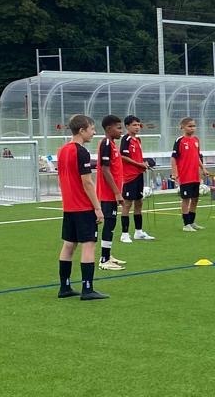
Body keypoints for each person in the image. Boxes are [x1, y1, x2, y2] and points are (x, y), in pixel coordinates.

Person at [56, 114, 107, 300]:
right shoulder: (81, 151)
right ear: (82, 130)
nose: (94, 133)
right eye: (92, 129)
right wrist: (98, 207)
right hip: (83, 207)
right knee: (88, 245)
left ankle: (65, 287)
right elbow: (87, 182)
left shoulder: (62, 150)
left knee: (69, 245)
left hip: (69, 207)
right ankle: (87, 289)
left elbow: (60, 178)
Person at [96, 114, 127, 272]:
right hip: (108, 194)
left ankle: (108, 255)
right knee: (109, 224)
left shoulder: (112, 144)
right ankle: (104, 259)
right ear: (109, 129)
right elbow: (105, 170)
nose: (121, 131)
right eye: (118, 127)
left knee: (111, 224)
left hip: (111, 193)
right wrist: (116, 193)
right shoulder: (106, 143)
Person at [119, 115, 155, 242]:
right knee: (127, 203)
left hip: (139, 174)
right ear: (127, 126)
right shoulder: (126, 139)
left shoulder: (138, 140)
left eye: (138, 125)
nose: (137, 127)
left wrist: (143, 164)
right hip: (129, 176)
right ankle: (124, 234)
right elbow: (123, 157)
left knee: (139, 202)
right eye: (134, 125)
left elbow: (137, 158)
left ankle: (138, 232)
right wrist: (139, 164)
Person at [170, 116, 204, 231]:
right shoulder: (179, 140)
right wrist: (175, 173)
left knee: (195, 199)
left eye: (194, 126)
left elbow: (197, 156)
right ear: (183, 127)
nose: (192, 128)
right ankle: (186, 225)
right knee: (186, 199)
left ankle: (192, 222)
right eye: (190, 126)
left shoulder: (196, 140)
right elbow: (174, 158)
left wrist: (203, 169)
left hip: (195, 175)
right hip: (185, 175)